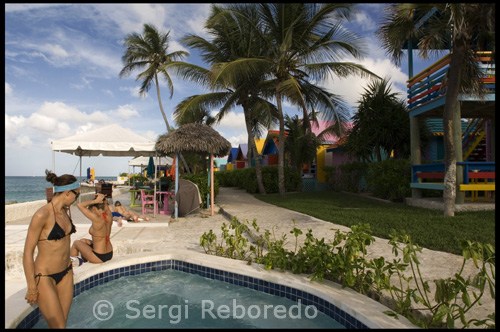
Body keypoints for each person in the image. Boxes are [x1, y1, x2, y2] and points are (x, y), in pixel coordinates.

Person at [23, 170, 80, 328]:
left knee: (62, 324)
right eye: (77, 195)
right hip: (45, 276)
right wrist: (31, 287)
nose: (77, 199)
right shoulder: (42, 215)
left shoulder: (64, 212)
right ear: (68, 193)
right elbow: (28, 252)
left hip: (66, 273)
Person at [70, 193, 114, 263]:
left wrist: (95, 201)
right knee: (83, 241)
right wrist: (102, 198)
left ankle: (73, 265)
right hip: (109, 253)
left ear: (93, 208)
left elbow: (79, 205)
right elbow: (105, 204)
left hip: (98, 256)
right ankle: (84, 262)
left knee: (76, 243)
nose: (90, 212)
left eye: (90, 210)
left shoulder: (97, 218)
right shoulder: (109, 215)